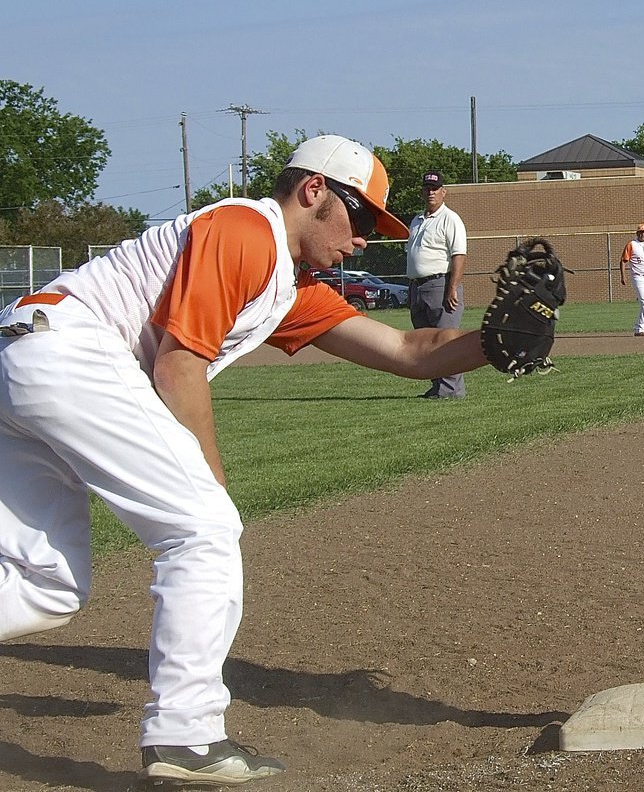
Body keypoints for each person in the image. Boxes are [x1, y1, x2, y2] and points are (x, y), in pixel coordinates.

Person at [0, 135, 493, 785]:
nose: (366, 239)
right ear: (314, 191)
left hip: (35, 352)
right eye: (364, 218)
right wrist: (212, 491)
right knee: (204, 528)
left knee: (46, 584)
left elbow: (411, 350)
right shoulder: (245, 229)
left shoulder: (289, 285)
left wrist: (498, 338)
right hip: (69, 349)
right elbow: (178, 366)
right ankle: (185, 735)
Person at [406, 170, 468, 398]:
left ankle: (451, 390)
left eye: (435, 188)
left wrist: (452, 287)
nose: (431, 192)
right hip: (417, 287)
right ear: (422, 192)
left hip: (440, 285)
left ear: (444, 192)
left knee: (445, 340)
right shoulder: (417, 220)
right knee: (425, 342)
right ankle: (437, 387)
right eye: (427, 188)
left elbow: (459, 254)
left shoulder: (450, 218)